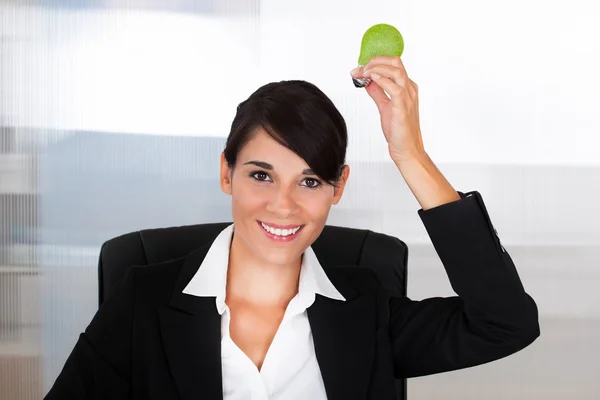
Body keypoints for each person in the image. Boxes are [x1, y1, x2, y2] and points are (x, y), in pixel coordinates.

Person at [45, 56, 540, 400]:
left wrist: (409, 154)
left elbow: (506, 324)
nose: (283, 206)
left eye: (309, 180)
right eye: (261, 175)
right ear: (226, 172)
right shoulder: (143, 299)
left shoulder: (365, 309)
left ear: (337, 187)